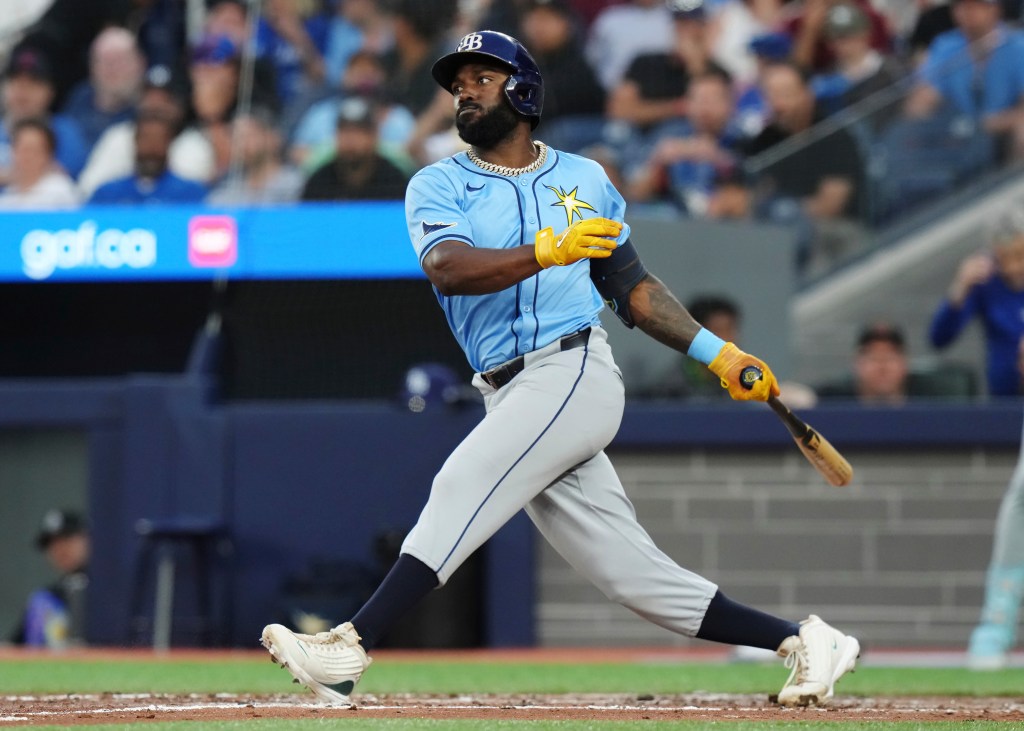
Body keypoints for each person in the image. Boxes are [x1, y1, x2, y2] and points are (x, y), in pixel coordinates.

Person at [261, 29, 861, 709]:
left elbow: (632, 287)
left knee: (464, 478)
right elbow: (448, 268)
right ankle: (805, 640)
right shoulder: (436, 182)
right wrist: (545, 249)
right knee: (631, 574)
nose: (463, 92)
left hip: (571, 368)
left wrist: (717, 353)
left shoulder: (583, 178)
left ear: (522, 89)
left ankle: (350, 642)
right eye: (457, 84)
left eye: (480, 79)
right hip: (506, 387)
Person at [904, 0, 1024, 160]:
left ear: (994, 9)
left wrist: (991, 124)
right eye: (960, 7)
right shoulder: (946, 45)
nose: (966, 13)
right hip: (960, 138)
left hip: (1004, 134)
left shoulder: (1017, 45)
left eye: (974, 7)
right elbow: (924, 98)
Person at [930, 207, 1024, 396]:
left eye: (1020, 255)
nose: (1014, 267)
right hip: (1004, 397)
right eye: (1004, 257)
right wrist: (960, 288)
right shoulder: (986, 282)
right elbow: (939, 338)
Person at [8, 509, 90, 648]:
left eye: (67, 538)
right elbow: (13, 646)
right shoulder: (45, 598)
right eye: (51, 543)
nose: (60, 548)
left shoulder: (109, 589)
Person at [300, 96, 408, 201]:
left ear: (374, 136)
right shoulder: (320, 181)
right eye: (344, 131)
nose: (350, 139)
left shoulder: (393, 180)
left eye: (358, 132)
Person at [89, 111, 208, 204]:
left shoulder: (190, 193)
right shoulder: (107, 193)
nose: (152, 147)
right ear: (135, 142)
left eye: (159, 140)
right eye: (145, 139)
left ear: (169, 143)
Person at [60, 26, 146, 150]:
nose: (111, 69)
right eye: (103, 61)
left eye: (119, 61)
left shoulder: (147, 108)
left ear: (140, 63)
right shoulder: (80, 97)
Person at [207, 107, 305, 205]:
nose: (242, 144)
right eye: (236, 138)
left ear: (272, 138)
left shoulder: (295, 183)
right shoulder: (231, 185)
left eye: (248, 136)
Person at [815, 322, 912, 404]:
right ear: (857, 363)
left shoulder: (924, 397)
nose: (882, 367)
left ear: (904, 363)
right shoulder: (832, 399)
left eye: (890, 358)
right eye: (874, 358)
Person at [0, 117, 81, 209]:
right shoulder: (7, 196)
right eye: (23, 149)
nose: (27, 156)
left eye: (34, 150)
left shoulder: (61, 190)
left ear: (48, 153)